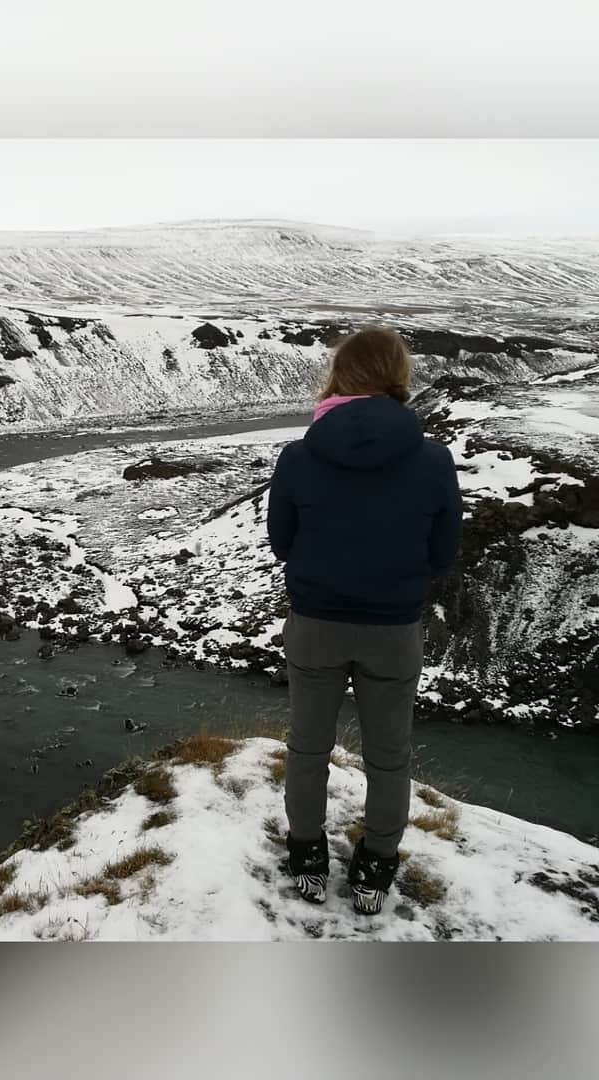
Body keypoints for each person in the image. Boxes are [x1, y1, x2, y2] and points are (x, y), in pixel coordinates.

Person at [266, 326, 463, 915]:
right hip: (393, 630)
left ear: (341, 375)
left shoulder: (300, 456)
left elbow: (281, 541)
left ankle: (306, 857)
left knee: (307, 749)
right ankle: (374, 870)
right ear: (396, 375)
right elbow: (443, 552)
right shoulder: (432, 459)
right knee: (389, 755)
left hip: (316, 623)